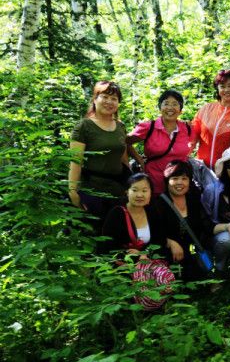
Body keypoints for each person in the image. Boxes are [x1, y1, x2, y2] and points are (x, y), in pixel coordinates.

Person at [101, 173, 174, 310]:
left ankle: (157, 306)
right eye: (135, 190)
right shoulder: (117, 213)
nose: (139, 195)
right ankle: (139, 309)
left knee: (166, 279)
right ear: (126, 192)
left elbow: (159, 240)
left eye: (144, 191)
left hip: (148, 260)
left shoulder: (152, 212)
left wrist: (145, 254)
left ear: (150, 193)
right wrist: (131, 256)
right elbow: (107, 246)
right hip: (123, 264)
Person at [68, 81, 128, 228]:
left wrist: (129, 184)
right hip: (91, 191)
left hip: (117, 192)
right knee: (92, 235)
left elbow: (124, 159)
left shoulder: (120, 126)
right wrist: (73, 192)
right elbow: (76, 161)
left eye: (114, 99)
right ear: (95, 99)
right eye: (105, 97)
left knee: (115, 236)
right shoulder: (84, 126)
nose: (109, 102)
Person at [154, 160, 215, 281]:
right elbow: (154, 232)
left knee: (199, 263)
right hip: (169, 253)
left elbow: (206, 225)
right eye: (175, 178)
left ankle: (209, 277)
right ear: (167, 180)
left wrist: (226, 227)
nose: (180, 183)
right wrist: (170, 242)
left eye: (184, 178)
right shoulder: (159, 204)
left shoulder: (194, 199)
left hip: (192, 249)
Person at [127, 90, 191, 197]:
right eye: (166, 103)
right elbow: (125, 142)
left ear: (180, 110)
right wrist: (139, 160)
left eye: (175, 104)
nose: (170, 107)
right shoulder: (149, 127)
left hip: (179, 185)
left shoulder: (188, 128)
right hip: (154, 184)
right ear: (160, 108)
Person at [191, 69, 230, 170]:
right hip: (202, 170)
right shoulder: (206, 109)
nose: (226, 90)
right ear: (217, 89)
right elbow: (191, 138)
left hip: (227, 173)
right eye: (222, 86)